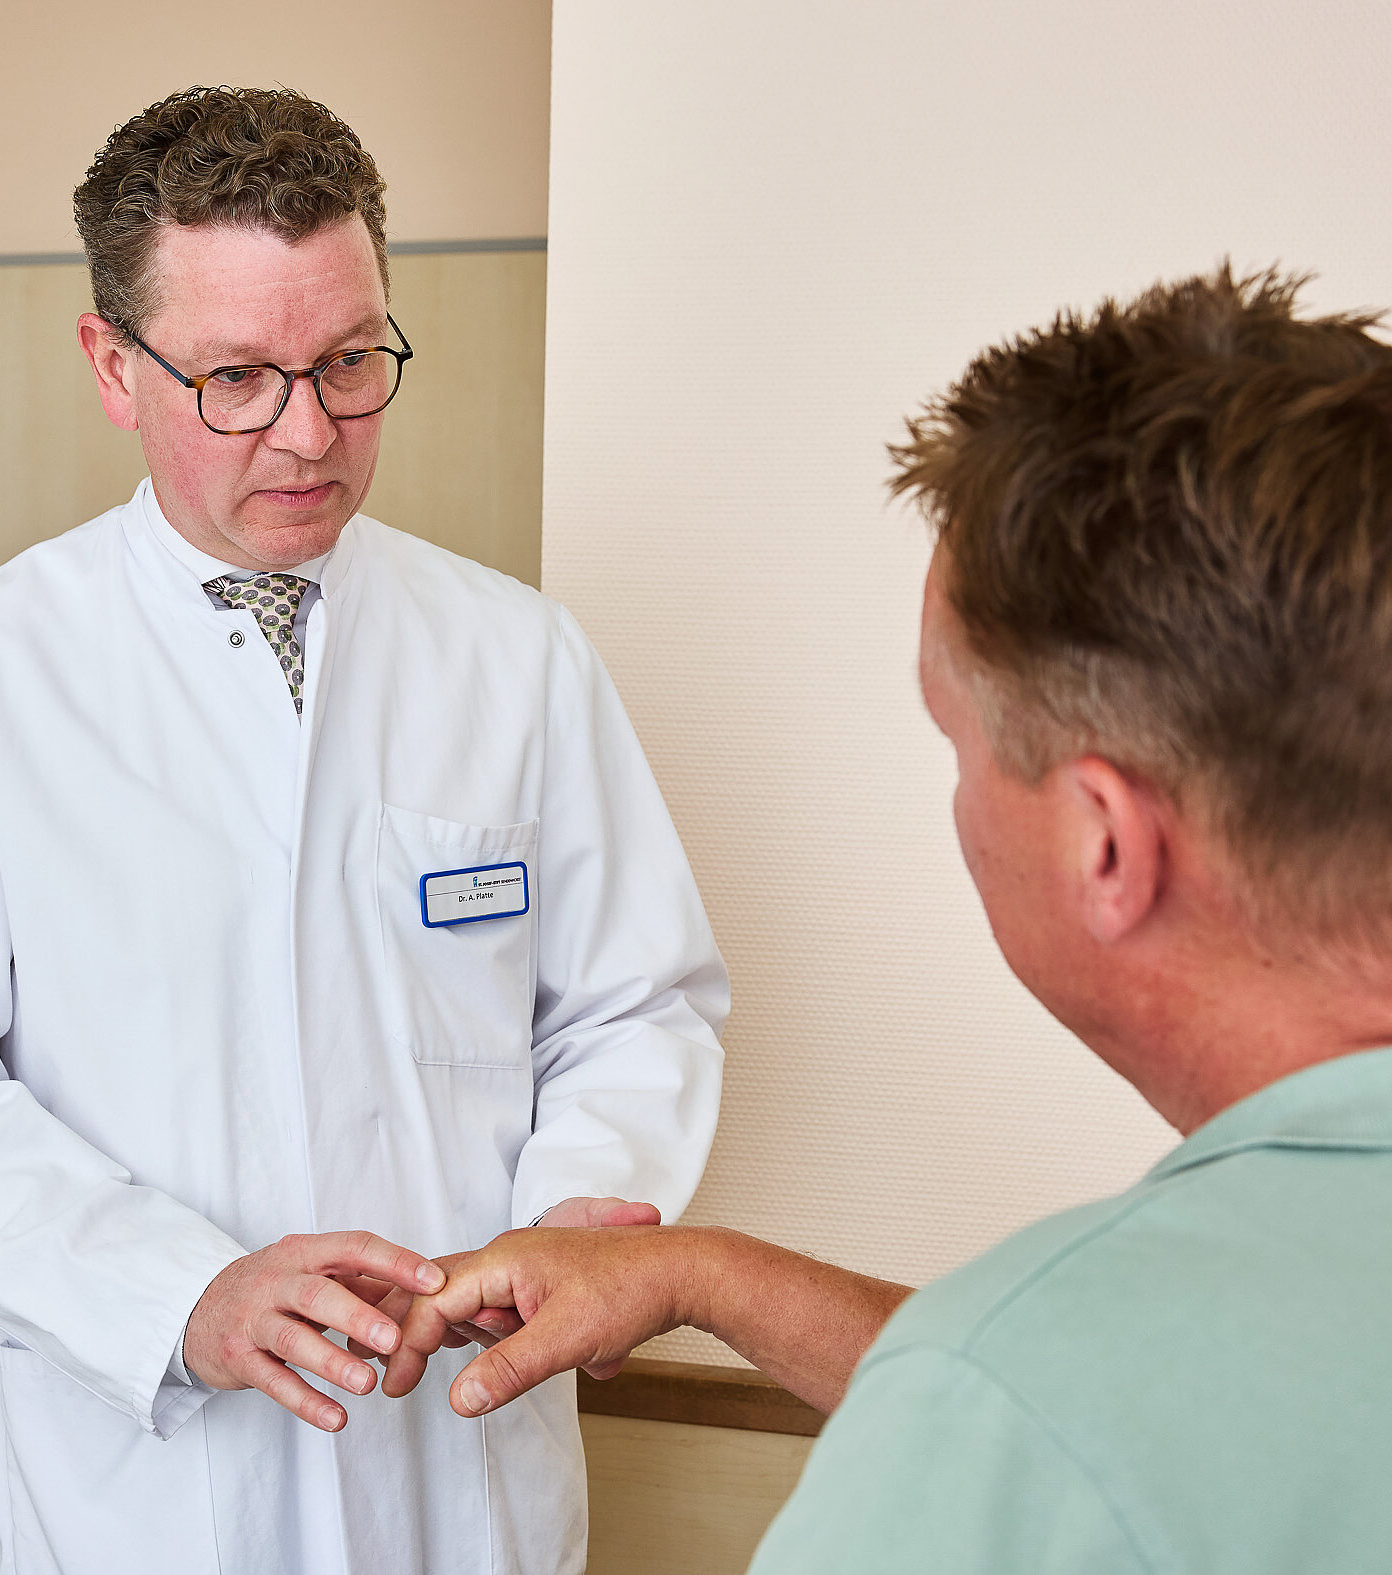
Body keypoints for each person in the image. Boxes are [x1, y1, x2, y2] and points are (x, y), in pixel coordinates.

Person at [0, 86, 728, 1574]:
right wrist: (173, 1292)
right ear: (113, 365)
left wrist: (569, 1219)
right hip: (145, 1481)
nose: (308, 431)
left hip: (458, 1455)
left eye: (349, 361)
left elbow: (635, 1002)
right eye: (238, 376)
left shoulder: (516, 654)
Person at [386, 266, 1392, 1571]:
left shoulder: (1006, 1411)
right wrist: (697, 1273)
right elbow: (1153, 1407)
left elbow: (1043, 1410)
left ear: (1104, 842)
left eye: (957, 740)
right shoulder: (1096, 1375)